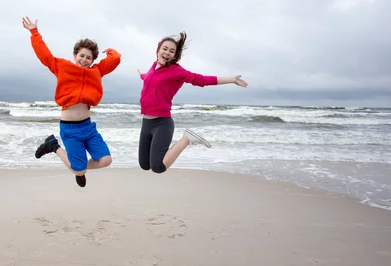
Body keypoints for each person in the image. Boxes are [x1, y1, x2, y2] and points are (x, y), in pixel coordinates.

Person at [23, 16, 121, 187]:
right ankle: (54, 146)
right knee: (79, 170)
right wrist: (34, 32)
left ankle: (79, 169)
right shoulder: (63, 67)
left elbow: (116, 59)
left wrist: (111, 51)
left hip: (88, 128)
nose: (84, 60)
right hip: (69, 129)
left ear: (93, 60)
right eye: (81, 56)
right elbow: (44, 55)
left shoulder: (96, 71)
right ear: (75, 55)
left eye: (88, 57)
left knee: (106, 160)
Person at [137, 31, 247, 174]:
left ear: (175, 55)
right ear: (158, 50)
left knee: (158, 167)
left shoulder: (176, 71)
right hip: (146, 123)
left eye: (172, 51)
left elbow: (201, 80)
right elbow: (148, 78)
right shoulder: (153, 68)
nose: (167, 53)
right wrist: (141, 75)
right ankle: (186, 139)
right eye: (165, 49)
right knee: (145, 165)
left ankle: (187, 139)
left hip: (162, 123)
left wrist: (231, 79)